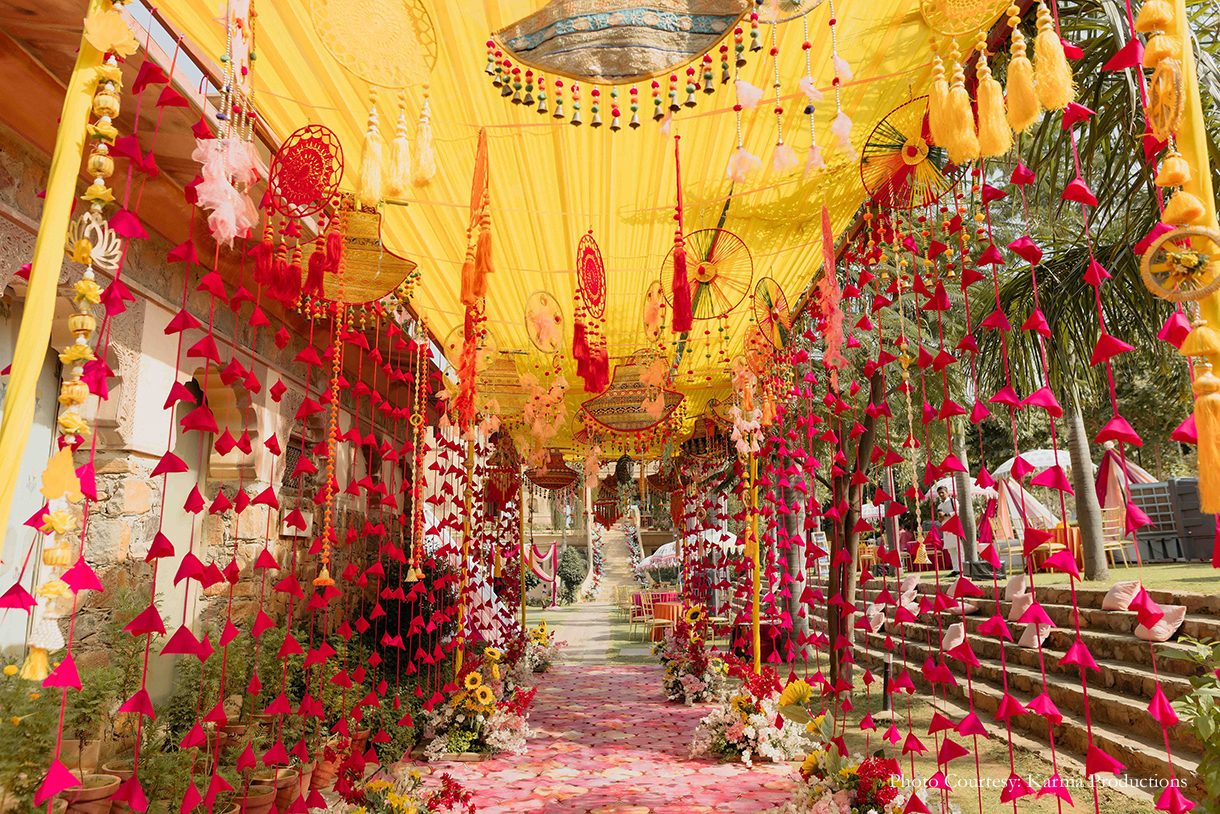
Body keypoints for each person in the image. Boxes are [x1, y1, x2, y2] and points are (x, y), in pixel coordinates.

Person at [935, 485, 961, 576]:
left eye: (942, 492)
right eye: (939, 493)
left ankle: (962, 569)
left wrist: (945, 514)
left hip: (955, 528)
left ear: (947, 492)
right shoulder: (940, 505)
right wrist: (941, 518)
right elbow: (939, 519)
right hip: (946, 529)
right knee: (951, 549)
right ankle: (956, 569)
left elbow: (958, 512)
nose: (941, 494)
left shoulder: (953, 501)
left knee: (959, 548)